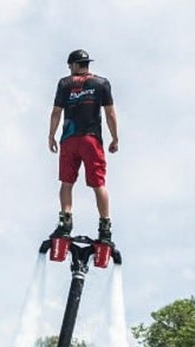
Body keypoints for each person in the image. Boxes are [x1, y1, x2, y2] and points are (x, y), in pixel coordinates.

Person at [48, 49, 118, 243]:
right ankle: (105, 228)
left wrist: (51, 135)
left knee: (66, 183)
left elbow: (56, 112)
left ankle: (65, 225)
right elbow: (110, 114)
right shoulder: (101, 83)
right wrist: (115, 138)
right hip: (92, 139)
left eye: (70, 65)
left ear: (75, 65)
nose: (70, 69)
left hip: (69, 139)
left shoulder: (64, 83)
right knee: (99, 184)